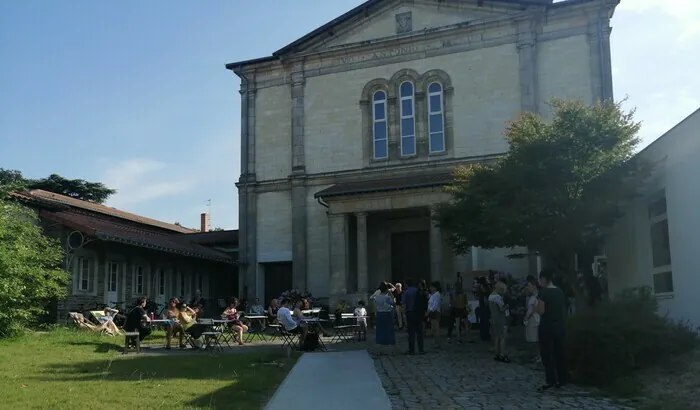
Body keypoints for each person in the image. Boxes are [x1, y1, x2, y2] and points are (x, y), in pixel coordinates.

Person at [536, 269, 570, 391]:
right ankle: (563, 379)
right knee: (559, 352)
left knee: (547, 353)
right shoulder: (560, 291)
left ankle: (551, 380)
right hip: (560, 325)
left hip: (547, 326)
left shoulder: (544, 292)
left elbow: (540, 310)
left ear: (544, 278)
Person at [401, 278, 426, 355]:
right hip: (418, 313)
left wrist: (404, 313)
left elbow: (404, 304)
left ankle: (412, 350)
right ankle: (421, 349)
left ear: (406, 284)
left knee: (411, 333)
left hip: (410, 313)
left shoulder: (406, 292)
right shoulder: (417, 291)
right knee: (419, 332)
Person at [489, 281, 510, 362]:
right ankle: (503, 354)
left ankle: (496, 353)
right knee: (503, 337)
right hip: (500, 318)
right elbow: (501, 308)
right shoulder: (497, 297)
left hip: (494, 318)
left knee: (497, 336)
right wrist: (507, 306)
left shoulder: (491, 296)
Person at [374, 283, 396, 355]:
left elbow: (375, 307)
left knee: (380, 331)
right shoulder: (387, 298)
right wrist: (392, 295)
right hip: (387, 314)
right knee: (389, 331)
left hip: (379, 314)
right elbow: (393, 303)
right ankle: (390, 350)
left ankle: (378, 350)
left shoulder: (377, 297)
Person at [524, 276, 541, 362]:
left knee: (536, 338)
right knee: (533, 338)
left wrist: (527, 317)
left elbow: (534, 308)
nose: (528, 287)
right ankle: (537, 355)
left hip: (535, 318)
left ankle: (539, 356)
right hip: (531, 318)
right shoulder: (533, 296)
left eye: (529, 285)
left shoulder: (537, 296)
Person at [427, 281, 442, 348]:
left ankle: (438, 343)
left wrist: (429, 310)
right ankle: (435, 342)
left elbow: (435, 305)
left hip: (435, 312)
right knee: (433, 329)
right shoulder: (432, 295)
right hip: (431, 312)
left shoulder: (437, 294)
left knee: (436, 329)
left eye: (431, 287)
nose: (430, 288)